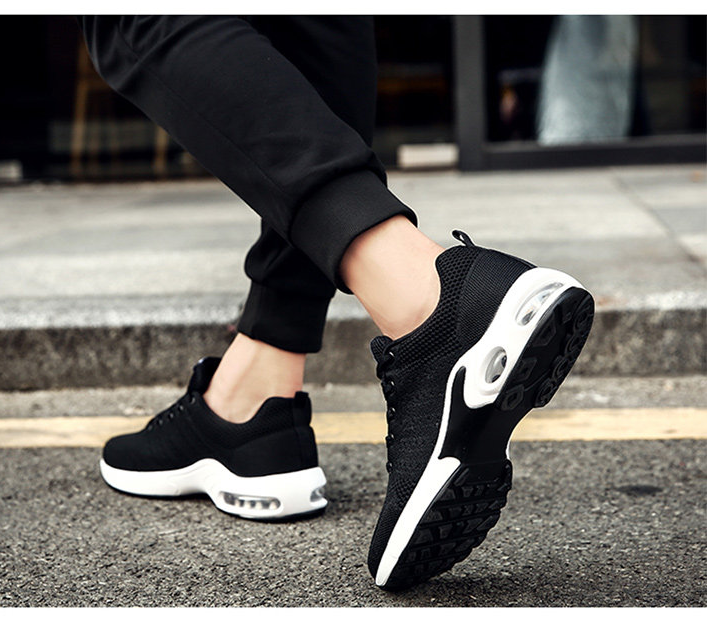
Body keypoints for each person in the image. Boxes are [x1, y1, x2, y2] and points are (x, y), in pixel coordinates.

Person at [79, 16, 594, 591]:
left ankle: (431, 305)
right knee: (313, 31)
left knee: (129, 21)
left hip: (444, 303)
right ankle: (253, 396)